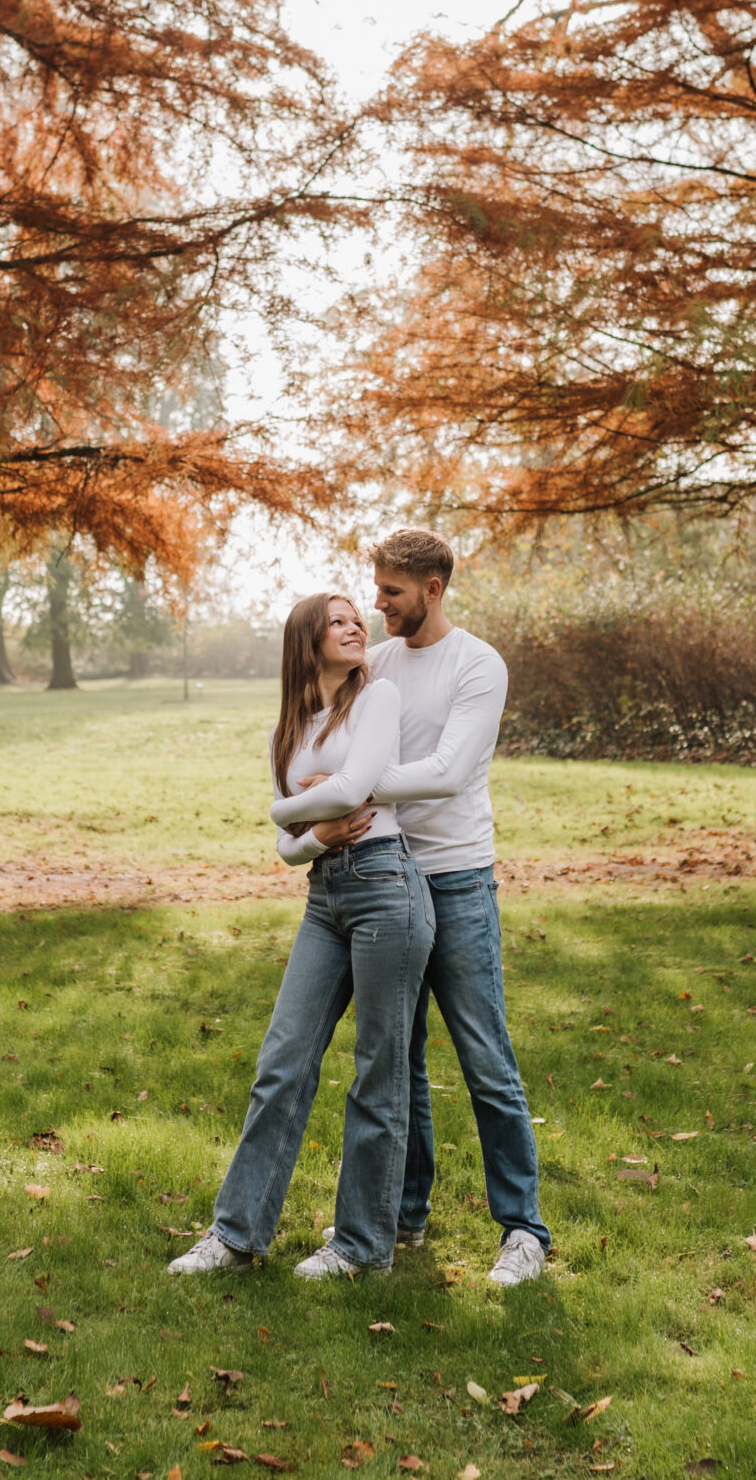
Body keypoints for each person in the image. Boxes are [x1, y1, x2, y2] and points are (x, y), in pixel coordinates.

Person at [288, 529, 549, 1287]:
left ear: (433, 589)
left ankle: (523, 1230)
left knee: (485, 1057)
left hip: (458, 879)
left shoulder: (478, 664)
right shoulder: (380, 664)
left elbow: (446, 771)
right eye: (376, 586)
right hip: (386, 879)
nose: (377, 603)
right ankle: (402, 1212)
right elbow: (326, 735)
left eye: (393, 591)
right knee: (397, 1056)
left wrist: (349, 788)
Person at [168, 593, 435, 1280]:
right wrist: (307, 823)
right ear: (307, 639)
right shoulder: (286, 731)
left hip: (386, 886)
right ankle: (236, 1235)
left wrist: (295, 810)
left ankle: (361, 1246)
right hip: (326, 896)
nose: (357, 627)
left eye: (358, 620)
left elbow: (353, 789)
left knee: (379, 1068)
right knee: (282, 1062)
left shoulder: (374, 702)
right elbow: (291, 845)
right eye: (339, 619)